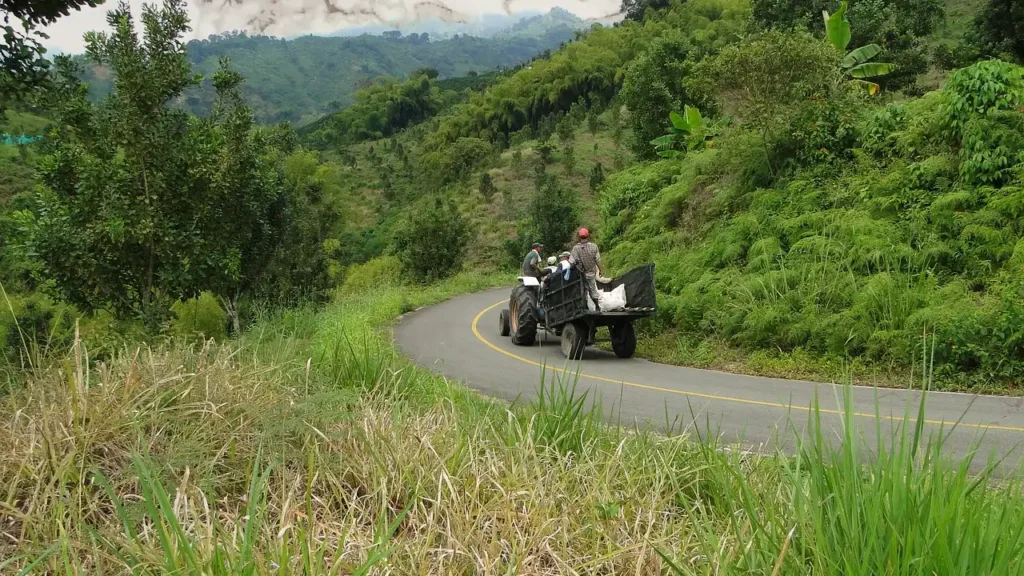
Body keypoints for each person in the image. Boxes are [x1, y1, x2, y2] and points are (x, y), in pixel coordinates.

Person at [570, 228, 605, 310]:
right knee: (593, 289)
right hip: (591, 273)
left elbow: (572, 262)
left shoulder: (576, 248)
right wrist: (601, 270)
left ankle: (584, 308)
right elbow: (598, 260)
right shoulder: (594, 247)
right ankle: (597, 307)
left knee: (583, 290)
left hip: (581, 274)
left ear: (579, 237)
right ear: (588, 236)